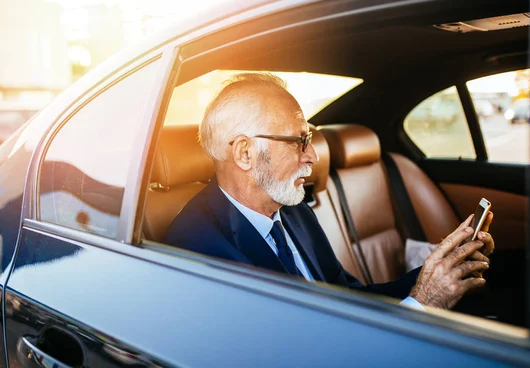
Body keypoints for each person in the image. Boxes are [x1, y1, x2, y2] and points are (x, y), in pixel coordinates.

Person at [164, 73, 494, 309]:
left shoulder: (293, 212)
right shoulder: (197, 250)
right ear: (244, 153)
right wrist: (422, 303)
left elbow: (348, 298)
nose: (312, 156)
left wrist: (435, 271)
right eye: (298, 141)